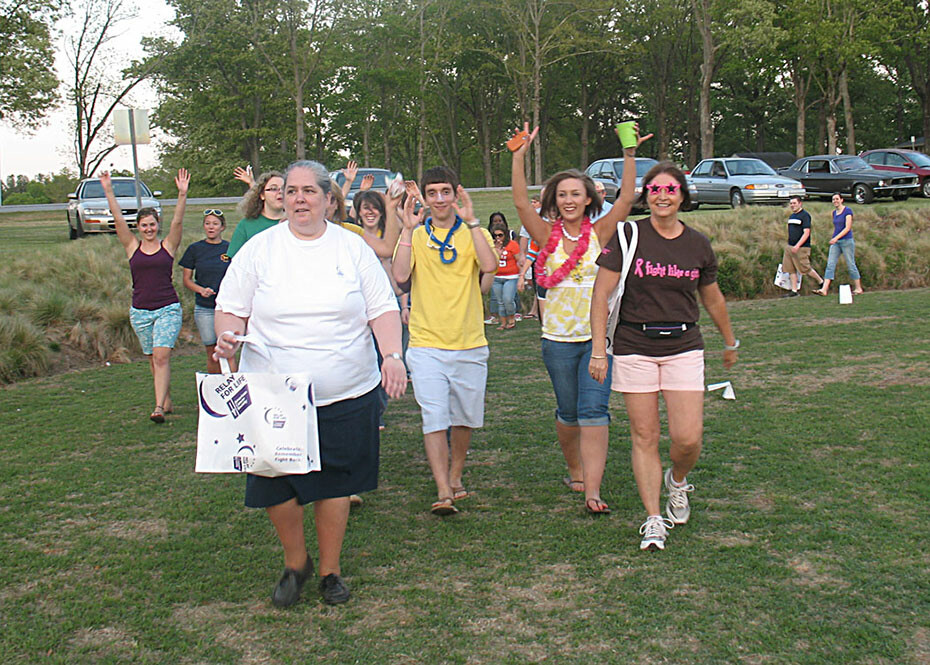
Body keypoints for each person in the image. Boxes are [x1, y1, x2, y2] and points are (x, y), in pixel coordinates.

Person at [213, 160, 406, 607]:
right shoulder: (260, 250)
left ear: (328, 200)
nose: (299, 198)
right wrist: (227, 335)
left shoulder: (351, 248)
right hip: (273, 394)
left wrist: (392, 356)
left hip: (346, 391)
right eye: (292, 191)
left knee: (336, 483)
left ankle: (331, 571)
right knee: (276, 486)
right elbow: (232, 306)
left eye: (309, 191)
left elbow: (382, 308)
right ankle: (295, 562)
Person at [590, 160, 739, 551]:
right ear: (647, 196)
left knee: (687, 439)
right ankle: (653, 518)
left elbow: (711, 296)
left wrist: (729, 341)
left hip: (683, 347)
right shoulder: (627, 236)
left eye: (670, 189)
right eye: (655, 189)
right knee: (645, 435)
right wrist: (597, 352)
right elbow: (600, 296)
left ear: (683, 196)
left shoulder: (697, 244)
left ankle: (677, 481)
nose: (662, 196)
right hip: (634, 347)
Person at [511, 122, 648, 516]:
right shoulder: (545, 232)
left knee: (594, 411)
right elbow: (521, 204)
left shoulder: (601, 232)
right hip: (556, 339)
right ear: (554, 199)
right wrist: (519, 158)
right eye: (563, 194)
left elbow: (625, 200)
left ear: (589, 199)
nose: (569, 200)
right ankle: (574, 468)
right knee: (568, 412)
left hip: (596, 338)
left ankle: (593, 487)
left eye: (577, 194)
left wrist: (628, 154)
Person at [392, 168, 498, 516]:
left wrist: (470, 222)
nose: (439, 199)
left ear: (456, 194)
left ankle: (455, 475)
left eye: (445, 192)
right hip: (426, 343)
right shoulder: (416, 236)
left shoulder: (474, 232)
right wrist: (407, 229)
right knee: (434, 415)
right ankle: (442, 490)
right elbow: (401, 276)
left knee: (463, 417)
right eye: (432, 193)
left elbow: (489, 265)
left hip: (468, 341)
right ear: (423, 197)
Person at [100, 169, 190, 423]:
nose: (149, 229)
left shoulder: (168, 246)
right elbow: (118, 221)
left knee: (162, 356)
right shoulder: (132, 247)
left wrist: (182, 195)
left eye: (152, 224)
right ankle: (166, 399)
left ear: (157, 224)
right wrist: (108, 191)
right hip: (140, 310)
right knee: (153, 359)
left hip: (167, 308)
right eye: (144, 225)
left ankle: (158, 407)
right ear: (138, 228)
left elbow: (178, 223)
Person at [179, 209, 235, 373]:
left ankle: (234, 387)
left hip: (225, 308)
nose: (211, 227)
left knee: (229, 351)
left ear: (222, 227)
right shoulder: (195, 249)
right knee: (212, 351)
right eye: (208, 223)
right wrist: (201, 290)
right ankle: (214, 389)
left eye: (215, 224)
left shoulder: (230, 248)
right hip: (205, 308)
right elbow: (186, 280)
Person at [813, 193, 863, 296]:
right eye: (833, 199)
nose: (835, 201)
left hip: (846, 241)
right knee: (830, 264)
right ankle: (824, 289)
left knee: (850, 264)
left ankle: (858, 288)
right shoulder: (834, 213)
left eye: (837, 199)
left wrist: (836, 238)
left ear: (841, 200)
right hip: (836, 242)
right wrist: (835, 239)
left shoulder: (847, 211)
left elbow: (847, 228)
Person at [227, 171, 285, 258]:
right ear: (262, 195)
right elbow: (233, 261)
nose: (280, 192)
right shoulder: (246, 225)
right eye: (273, 189)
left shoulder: (296, 225)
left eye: (284, 188)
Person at [781, 196, 823, 297]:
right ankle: (794, 291)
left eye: (794, 203)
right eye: (791, 203)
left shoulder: (805, 216)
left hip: (801, 247)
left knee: (805, 268)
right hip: (790, 246)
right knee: (790, 269)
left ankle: (821, 282)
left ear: (800, 203)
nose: (792, 205)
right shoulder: (791, 216)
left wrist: (798, 246)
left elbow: (806, 233)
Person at [489, 216, 524, 330]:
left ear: (505, 235)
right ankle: (503, 322)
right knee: (500, 301)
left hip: (511, 276)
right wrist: (496, 250)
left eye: (500, 235)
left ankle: (511, 317)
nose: (498, 238)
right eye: (495, 235)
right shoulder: (491, 246)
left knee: (508, 299)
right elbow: (490, 261)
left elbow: (519, 260)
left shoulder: (512, 245)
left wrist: (521, 276)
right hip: (497, 276)